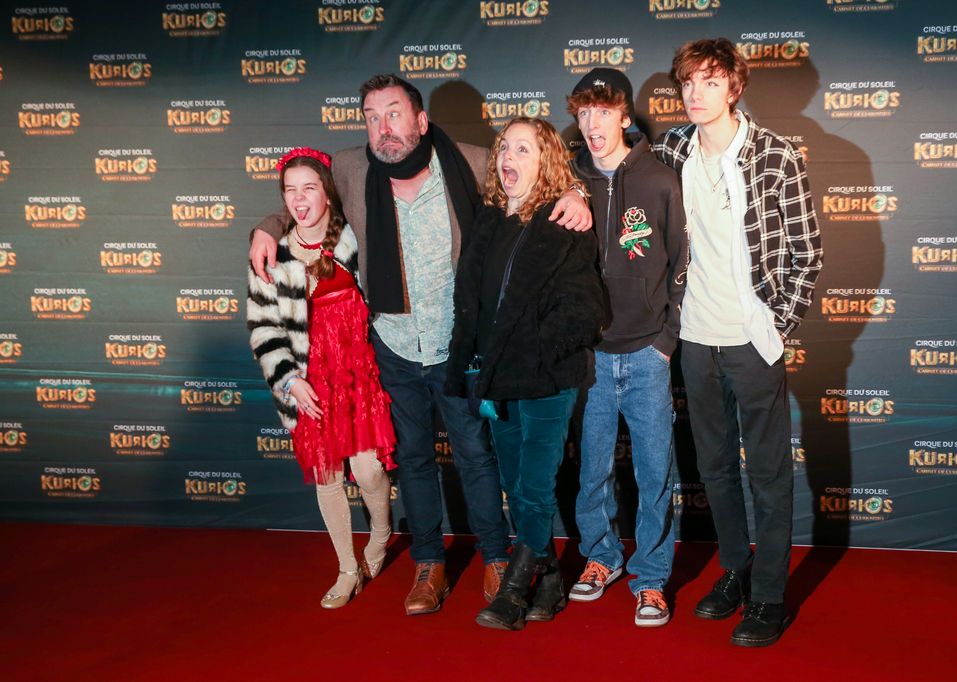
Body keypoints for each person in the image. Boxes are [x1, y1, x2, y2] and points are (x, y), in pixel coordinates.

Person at [249, 74, 593, 616]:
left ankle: (498, 557)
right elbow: (301, 195)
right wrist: (266, 227)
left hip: (457, 343)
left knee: (477, 456)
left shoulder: (475, 161)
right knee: (412, 458)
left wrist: (576, 193)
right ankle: (429, 562)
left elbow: (536, 175)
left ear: (420, 121)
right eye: (371, 116)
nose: (382, 127)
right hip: (391, 344)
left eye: (393, 113)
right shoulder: (351, 167)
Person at [653, 38, 823, 646]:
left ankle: (771, 597)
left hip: (753, 341)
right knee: (716, 470)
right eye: (687, 83)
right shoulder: (670, 149)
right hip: (694, 339)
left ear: (735, 86)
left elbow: (806, 252)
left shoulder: (776, 156)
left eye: (708, 81)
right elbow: (620, 190)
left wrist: (775, 325)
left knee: (770, 474)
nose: (695, 94)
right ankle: (736, 572)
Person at [446, 117, 605, 631]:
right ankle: (553, 580)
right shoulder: (489, 220)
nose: (509, 159)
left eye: (523, 149)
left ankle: (514, 593)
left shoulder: (566, 221)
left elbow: (585, 308)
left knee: (534, 488)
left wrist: (534, 350)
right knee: (517, 485)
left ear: (546, 162)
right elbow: (473, 302)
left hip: (545, 381)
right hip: (496, 380)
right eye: (504, 149)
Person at [246, 147, 397, 609]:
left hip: (360, 371)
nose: (299, 199)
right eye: (290, 191)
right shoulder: (273, 255)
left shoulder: (355, 238)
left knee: (369, 469)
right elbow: (263, 326)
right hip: (310, 380)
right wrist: (290, 381)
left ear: (328, 194)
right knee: (328, 476)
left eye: (309, 187)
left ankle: (381, 531)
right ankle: (347, 569)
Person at [565, 68, 687, 628]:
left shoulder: (661, 179)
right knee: (591, 467)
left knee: (653, 469)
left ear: (623, 116)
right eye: (582, 113)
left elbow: (686, 264)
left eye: (602, 112)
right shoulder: (568, 179)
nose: (592, 124)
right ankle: (601, 558)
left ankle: (653, 577)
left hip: (646, 353)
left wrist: (666, 340)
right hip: (591, 355)